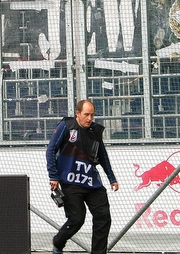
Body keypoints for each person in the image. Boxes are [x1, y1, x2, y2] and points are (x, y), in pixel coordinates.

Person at [45, 100, 119, 254]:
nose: (90, 118)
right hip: (70, 183)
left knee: (103, 217)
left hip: (92, 183)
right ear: (77, 114)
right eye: (86, 115)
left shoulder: (95, 132)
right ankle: (58, 242)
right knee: (77, 219)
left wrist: (112, 178)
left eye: (92, 115)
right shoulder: (66, 126)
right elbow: (51, 150)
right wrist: (53, 176)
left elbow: (103, 156)